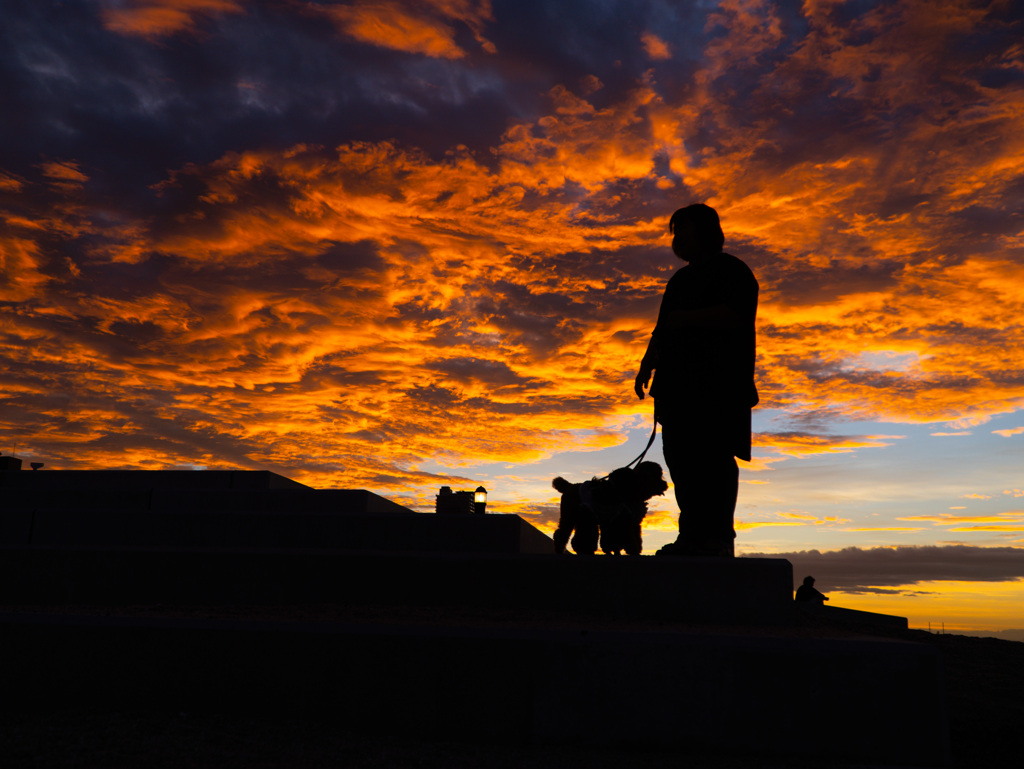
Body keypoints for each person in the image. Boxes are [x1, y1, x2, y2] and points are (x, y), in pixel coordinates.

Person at [634, 203, 758, 557]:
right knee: (681, 460)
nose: (678, 239)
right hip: (676, 387)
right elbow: (661, 327)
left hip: (718, 385)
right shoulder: (679, 280)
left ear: (706, 231)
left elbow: (734, 316)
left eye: (683, 230)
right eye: (675, 232)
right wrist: (647, 364)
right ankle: (691, 537)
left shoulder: (733, 271)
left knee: (714, 460)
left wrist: (685, 320)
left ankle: (718, 539)